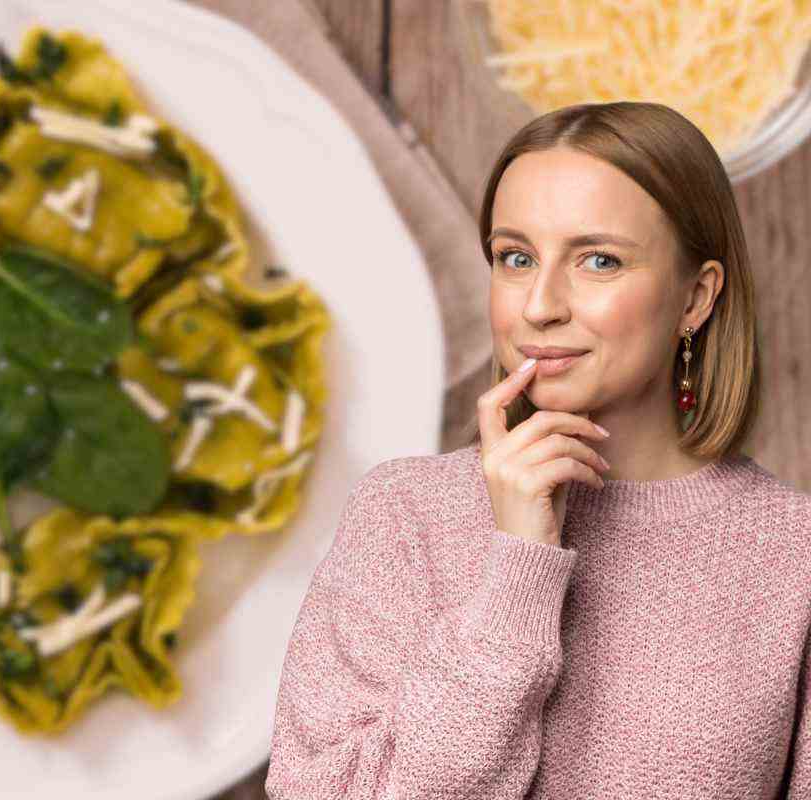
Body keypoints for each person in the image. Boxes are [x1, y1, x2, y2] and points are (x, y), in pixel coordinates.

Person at [263, 101, 811, 798]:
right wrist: (518, 570)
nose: (540, 304)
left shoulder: (795, 553)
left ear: (696, 298)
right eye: (516, 257)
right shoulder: (403, 514)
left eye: (599, 260)